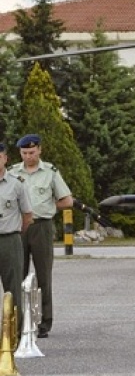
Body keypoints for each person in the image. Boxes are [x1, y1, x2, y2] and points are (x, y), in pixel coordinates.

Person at [10, 133, 75, 339]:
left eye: (31, 152)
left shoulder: (50, 172)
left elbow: (67, 200)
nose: (28, 156)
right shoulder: (12, 173)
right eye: (24, 153)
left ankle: (44, 322)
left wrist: (49, 206)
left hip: (41, 226)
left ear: (39, 150)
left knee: (43, 275)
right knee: (16, 275)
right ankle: (17, 321)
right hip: (18, 227)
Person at [0, 142, 33, 333]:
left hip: (9, 240)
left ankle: (15, 334)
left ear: (5, 158)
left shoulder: (16, 183)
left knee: (13, 290)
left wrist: (15, 232)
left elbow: (27, 215)